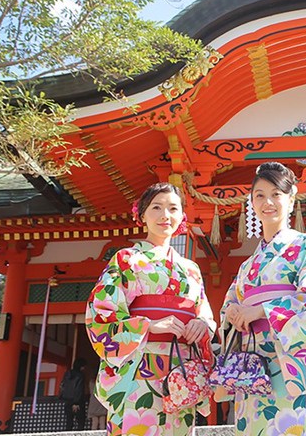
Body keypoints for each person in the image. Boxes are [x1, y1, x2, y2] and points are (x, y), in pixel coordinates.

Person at [86, 182, 216, 436]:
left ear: (181, 217)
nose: (165, 215)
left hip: (182, 370)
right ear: (142, 214)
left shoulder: (191, 268)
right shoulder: (126, 259)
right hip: (140, 363)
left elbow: (204, 313)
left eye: (173, 208)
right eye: (156, 207)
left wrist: (202, 325)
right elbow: (101, 312)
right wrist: (147, 324)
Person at [221, 162, 306, 436]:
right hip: (249, 361)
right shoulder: (249, 263)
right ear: (251, 202)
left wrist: (261, 311)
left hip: (287, 356)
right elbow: (230, 304)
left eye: (276, 194)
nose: (267, 202)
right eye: (259, 195)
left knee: (285, 426)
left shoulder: (305, 245)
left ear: (291, 198)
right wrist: (234, 313)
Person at [59, 357, 86, 431]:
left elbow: (62, 385)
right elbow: (79, 389)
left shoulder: (67, 373)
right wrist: (76, 402)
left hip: (66, 399)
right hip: (77, 401)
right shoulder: (80, 375)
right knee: (81, 420)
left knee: (69, 421)